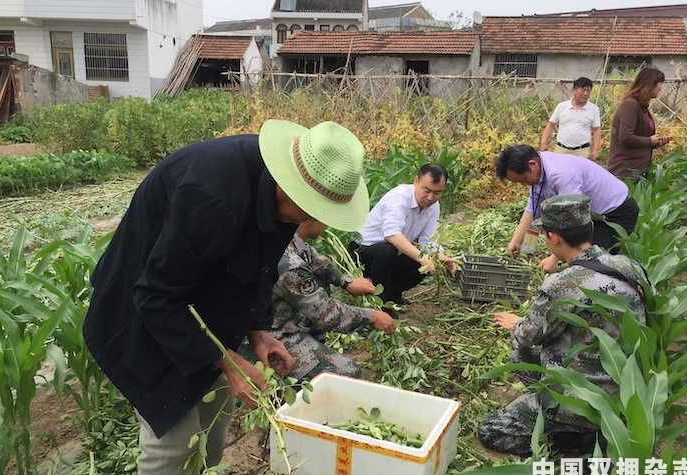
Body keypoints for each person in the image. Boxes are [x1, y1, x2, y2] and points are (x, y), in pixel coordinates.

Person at [83, 120, 370, 475]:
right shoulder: (211, 197)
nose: (313, 221)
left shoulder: (279, 193)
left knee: (219, 396)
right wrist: (227, 359)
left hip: (200, 296)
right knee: (173, 432)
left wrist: (255, 332)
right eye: (311, 211)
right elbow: (156, 296)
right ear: (288, 186)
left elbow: (260, 266)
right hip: (142, 304)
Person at [478, 195, 647, 457]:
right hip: (628, 391)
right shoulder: (629, 265)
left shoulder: (562, 284)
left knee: (491, 430)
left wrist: (516, 324)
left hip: (580, 397)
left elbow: (529, 337)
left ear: (553, 238)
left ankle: (566, 435)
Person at [269, 220, 396, 380]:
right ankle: (287, 386)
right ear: (311, 218)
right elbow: (326, 314)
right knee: (347, 373)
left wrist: (345, 281)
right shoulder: (290, 264)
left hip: (291, 322)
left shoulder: (293, 240)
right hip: (275, 336)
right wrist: (371, 316)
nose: (328, 224)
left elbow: (317, 261)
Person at [497, 144, 639, 273]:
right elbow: (533, 210)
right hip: (592, 215)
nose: (523, 184)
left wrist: (553, 259)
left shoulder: (561, 174)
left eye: (523, 180)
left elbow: (572, 219)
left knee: (589, 264)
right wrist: (516, 242)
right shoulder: (538, 169)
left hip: (616, 213)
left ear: (532, 164)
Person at [355, 163, 457, 305]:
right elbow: (391, 235)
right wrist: (423, 258)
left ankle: (393, 294)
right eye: (426, 190)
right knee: (390, 250)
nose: (430, 197)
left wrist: (441, 257)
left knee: (423, 264)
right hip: (364, 252)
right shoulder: (399, 197)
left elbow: (426, 240)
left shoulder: (433, 207)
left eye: (437, 193)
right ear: (416, 181)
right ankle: (380, 302)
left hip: (391, 252)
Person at [608, 67, 671, 180]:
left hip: (638, 168)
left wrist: (656, 142)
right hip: (626, 170)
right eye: (659, 83)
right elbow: (625, 137)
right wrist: (649, 140)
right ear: (649, 84)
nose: (661, 87)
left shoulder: (642, 107)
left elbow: (640, 137)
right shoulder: (630, 105)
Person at [539, 77, 601, 161]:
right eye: (583, 90)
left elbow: (596, 130)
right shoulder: (562, 106)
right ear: (574, 90)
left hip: (582, 152)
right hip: (561, 150)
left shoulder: (594, 109)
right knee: (560, 173)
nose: (586, 93)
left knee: (580, 173)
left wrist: (595, 150)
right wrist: (543, 143)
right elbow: (550, 125)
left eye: (588, 91)